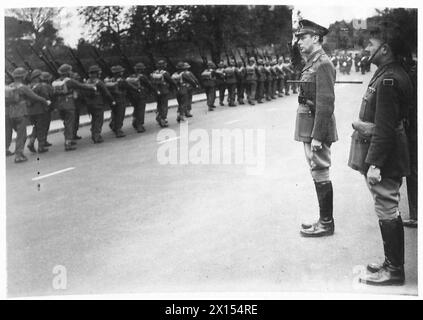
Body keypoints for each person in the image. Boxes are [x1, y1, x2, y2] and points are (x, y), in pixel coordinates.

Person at [348, 24, 413, 285]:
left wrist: (374, 164)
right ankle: (390, 263)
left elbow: (385, 128)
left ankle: (394, 270)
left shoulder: (388, 79)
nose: (366, 48)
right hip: (391, 152)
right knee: (388, 207)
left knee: (387, 207)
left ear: (384, 49)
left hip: (386, 157)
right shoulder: (390, 73)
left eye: (371, 44)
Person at [293, 19, 338, 237]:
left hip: (316, 127)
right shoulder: (312, 61)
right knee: (316, 169)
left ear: (316, 38)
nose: (299, 41)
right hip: (309, 124)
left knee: (320, 169)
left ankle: (326, 223)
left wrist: (318, 136)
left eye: (303, 37)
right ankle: (323, 220)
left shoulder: (322, 63)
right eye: (298, 37)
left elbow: (326, 102)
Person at [5, 67, 50, 162]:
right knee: (22, 135)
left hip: (11, 114)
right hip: (21, 113)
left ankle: (19, 152)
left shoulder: (9, 87)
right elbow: (35, 97)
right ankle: (18, 155)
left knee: (20, 135)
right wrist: (45, 101)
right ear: (23, 76)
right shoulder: (23, 87)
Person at [52, 64, 96, 151]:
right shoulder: (69, 81)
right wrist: (93, 87)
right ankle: (68, 142)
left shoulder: (56, 82)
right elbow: (82, 86)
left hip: (60, 105)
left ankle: (69, 139)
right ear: (68, 72)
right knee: (70, 124)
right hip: (69, 104)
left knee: (66, 123)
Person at [105, 65, 140, 137]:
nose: (122, 72)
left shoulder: (110, 80)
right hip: (120, 99)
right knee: (120, 115)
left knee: (114, 113)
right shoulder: (121, 80)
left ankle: (113, 125)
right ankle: (118, 130)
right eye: (121, 71)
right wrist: (137, 89)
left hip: (112, 100)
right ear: (119, 73)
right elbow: (130, 86)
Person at [85, 65, 115, 143]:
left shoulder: (87, 81)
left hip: (89, 105)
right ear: (96, 73)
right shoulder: (99, 82)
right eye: (99, 72)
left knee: (94, 120)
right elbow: (107, 93)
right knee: (99, 120)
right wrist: (112, 100)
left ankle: (93, 134)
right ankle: (97, 136)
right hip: (98, 104)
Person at [127, 62, 158, 133]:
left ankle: (135, 121)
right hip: (141, 95)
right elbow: (149, 85)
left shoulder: (131, 76)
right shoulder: (142, 77)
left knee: (136, 109)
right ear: (142, 70)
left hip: (133, 96)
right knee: (141, 110)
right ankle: (139, 125)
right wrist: (155, 91)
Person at [27, 70, 53, 153]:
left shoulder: (29, 86)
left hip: (31, 111)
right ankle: (41, 146)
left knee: (36, 127)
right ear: (38, 77)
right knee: (42, 127)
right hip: (41, 110)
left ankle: (31, 141)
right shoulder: (41, 86)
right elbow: (46, 96)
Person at [150, 60, 177, 127]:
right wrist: (174, 86)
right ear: (163, 66)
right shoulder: (165, 73)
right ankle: (163, 119)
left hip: (156, 92)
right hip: (164, 91)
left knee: (159, 104)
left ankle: (158, 116)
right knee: (164, 105)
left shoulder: (154, 73)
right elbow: (171, 81)